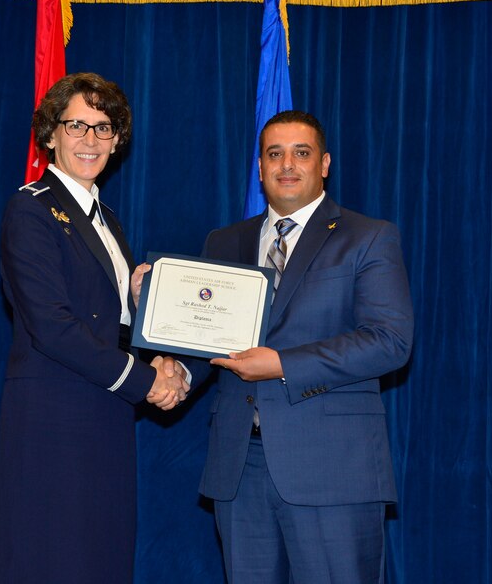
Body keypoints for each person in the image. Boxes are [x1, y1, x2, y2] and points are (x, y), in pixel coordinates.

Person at [176, 110, 412, 583]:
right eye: (274, 154)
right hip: (240, 468)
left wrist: (282, 364)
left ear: (323, 164)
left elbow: (390, 342)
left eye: (301, 153)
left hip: (332, 468)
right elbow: (206, 342)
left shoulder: (367, 238)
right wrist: (176, 371)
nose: (288, 165)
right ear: (259, 167)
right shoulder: (225, 242)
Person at [0, 72, 188, 584]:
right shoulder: (31, 209)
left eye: (104, 129)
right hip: (55, 420)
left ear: (118, 141)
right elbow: (53, 326)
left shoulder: (105, 219)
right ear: (51, 134)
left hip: (103, 415)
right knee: (51, 561)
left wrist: (143, 306)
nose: (90, 140)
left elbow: (106, 322)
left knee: (99, 560)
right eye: (77, 125)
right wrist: (149, 382)